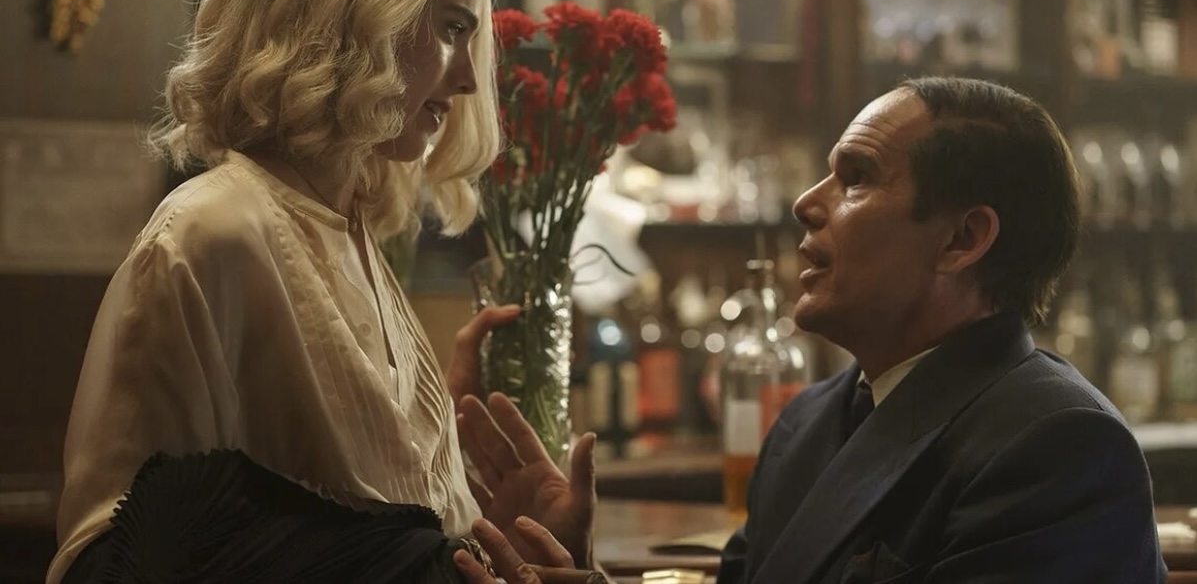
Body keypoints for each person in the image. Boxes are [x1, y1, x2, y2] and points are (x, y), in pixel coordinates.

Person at [47, 0, 595, 582]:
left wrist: (501, 541)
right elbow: (110, 557)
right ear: (354, 16)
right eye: (452, 28)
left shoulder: (351, 231)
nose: (465, 78)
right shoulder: (212, 234)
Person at [454, 77, 1167, 584]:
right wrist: (572, 566)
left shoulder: (1057, 446)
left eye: (856, 177)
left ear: (962, 239)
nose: (805, 202)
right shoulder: (807, 421)